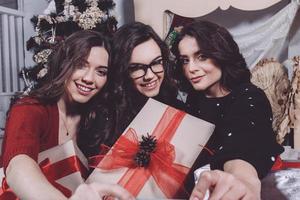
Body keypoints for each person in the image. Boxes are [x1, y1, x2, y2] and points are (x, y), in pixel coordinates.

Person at [1, 30, 133, 200]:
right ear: (64, 64)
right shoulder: (30, 108)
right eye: (80, 65)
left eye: (101, 72)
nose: (89, 78)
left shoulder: (97, 119)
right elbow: (18, 166)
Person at [171, 20, 284, 199]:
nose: (191, 68)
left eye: (201, 57)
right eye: (185, 60)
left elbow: (244, 138)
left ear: (221, 54)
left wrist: (243, 181)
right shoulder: (194, 100)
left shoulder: (249, 96)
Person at [105, 22, 181, 145]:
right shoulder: (108, 117)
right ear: (121, 71)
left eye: (156, 62)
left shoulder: (175, 106)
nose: (150, 76)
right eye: (136, 68)